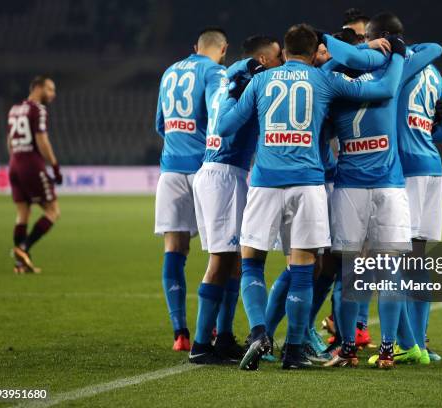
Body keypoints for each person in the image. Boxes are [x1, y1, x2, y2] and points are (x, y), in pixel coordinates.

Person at [215, 23, 404, 370]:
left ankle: (259, 332)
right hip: (308, 183)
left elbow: (224, 128)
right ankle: (294, 351)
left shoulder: (260, 81)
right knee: (304, 271)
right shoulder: (324, 80)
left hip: (266, 181)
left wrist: (232, 89)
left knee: (252, 263)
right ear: (313, 51)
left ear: (284, 52)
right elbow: (378, 89)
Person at [319, 13, 442, 369]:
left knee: (352, 274)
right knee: (390, 270)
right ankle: (388, 349)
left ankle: (347, 348)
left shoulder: (336, 83)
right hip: (389, 187)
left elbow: (323, 71)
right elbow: (434, 49)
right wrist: (398, 51)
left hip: (349, 189)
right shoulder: (394, 71)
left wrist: (352, 52)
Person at [189, 36, 282, 365]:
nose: (280, 63)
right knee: (220, 261)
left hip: (224, 173)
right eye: (276, 57)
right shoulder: (246, 77)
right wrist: (254, 68)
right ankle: (201, 344)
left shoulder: (230, 78)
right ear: (261, 58)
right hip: (224, 174)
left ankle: (224, 337)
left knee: (234, 262)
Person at [387, 10, 442, 365]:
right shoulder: (434, 72)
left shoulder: (396, 68)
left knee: (394, 260)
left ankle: (408, 344)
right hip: (432, 168)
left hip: (403, 170)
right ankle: (423, 343)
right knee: (419, 260)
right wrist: (424, 136)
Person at [154, 27, 228, 352]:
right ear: (222, 49)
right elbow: (218, 115)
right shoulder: (215, 72)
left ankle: (180, 334)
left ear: (194, 46)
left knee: (174, 250)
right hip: (204, 170)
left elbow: (160, 123)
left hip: (170, 169)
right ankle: (212, 332)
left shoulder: (170, 71)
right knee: (223, 253)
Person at [9, 76, 62, 274]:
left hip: (14, 162)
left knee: (23, 213)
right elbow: (42, 140)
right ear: (38, 88)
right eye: (50, 89)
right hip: (31, 164)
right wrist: (54, 165)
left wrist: (15, 162)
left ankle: (21, 264)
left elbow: (9, 141)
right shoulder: (38, 109)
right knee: (53, 211)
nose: (53, 94)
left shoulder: (14, 110)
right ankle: (23, 248)